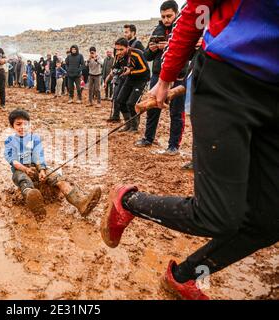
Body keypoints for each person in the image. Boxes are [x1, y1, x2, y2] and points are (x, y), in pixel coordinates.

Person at [101, 0, 279, 300]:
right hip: (230, 79)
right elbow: (197, 12)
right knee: (218, 215)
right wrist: (165, 78)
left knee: (269, 221)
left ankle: (184, 276)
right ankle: (128, 201)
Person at [4, 109, 102, 219]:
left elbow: (38, 155)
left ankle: (81, 203)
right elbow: (13, 160)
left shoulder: (35, 138)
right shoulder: (10, 141)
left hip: (36, 167)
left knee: (58, 179)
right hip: (20, 170)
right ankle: (35, 204)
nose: (22, 127)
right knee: (23, 180)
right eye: (18, 124)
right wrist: (25, 169)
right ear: (12, 126)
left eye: (25, 124)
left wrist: (41, 169)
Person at [136, 0, 187, 155]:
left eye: (169, 16)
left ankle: (173, 145)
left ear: (176, 14)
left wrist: (169, 47)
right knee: (153, 108)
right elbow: (146, 56)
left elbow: (188, 50)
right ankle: (148, 138)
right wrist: (151, 49)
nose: (166, 19)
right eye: (163, 16)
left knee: (176, 112)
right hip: (158, 75)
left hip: (179, 75)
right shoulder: (157, 30)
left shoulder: (183, 28)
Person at [106, 38, 150, 132]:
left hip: (141, 80)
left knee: (131, 103)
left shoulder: (136, 53)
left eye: (121, 49)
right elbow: (115, 67)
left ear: (127, 47)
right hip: (129, 79)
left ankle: (134, 126)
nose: (118, 52)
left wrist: (131, 72)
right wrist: (114, 72)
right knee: (120, 101)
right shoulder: (118, 55)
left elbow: (145, 70)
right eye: (117, 49)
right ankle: (128, 124)